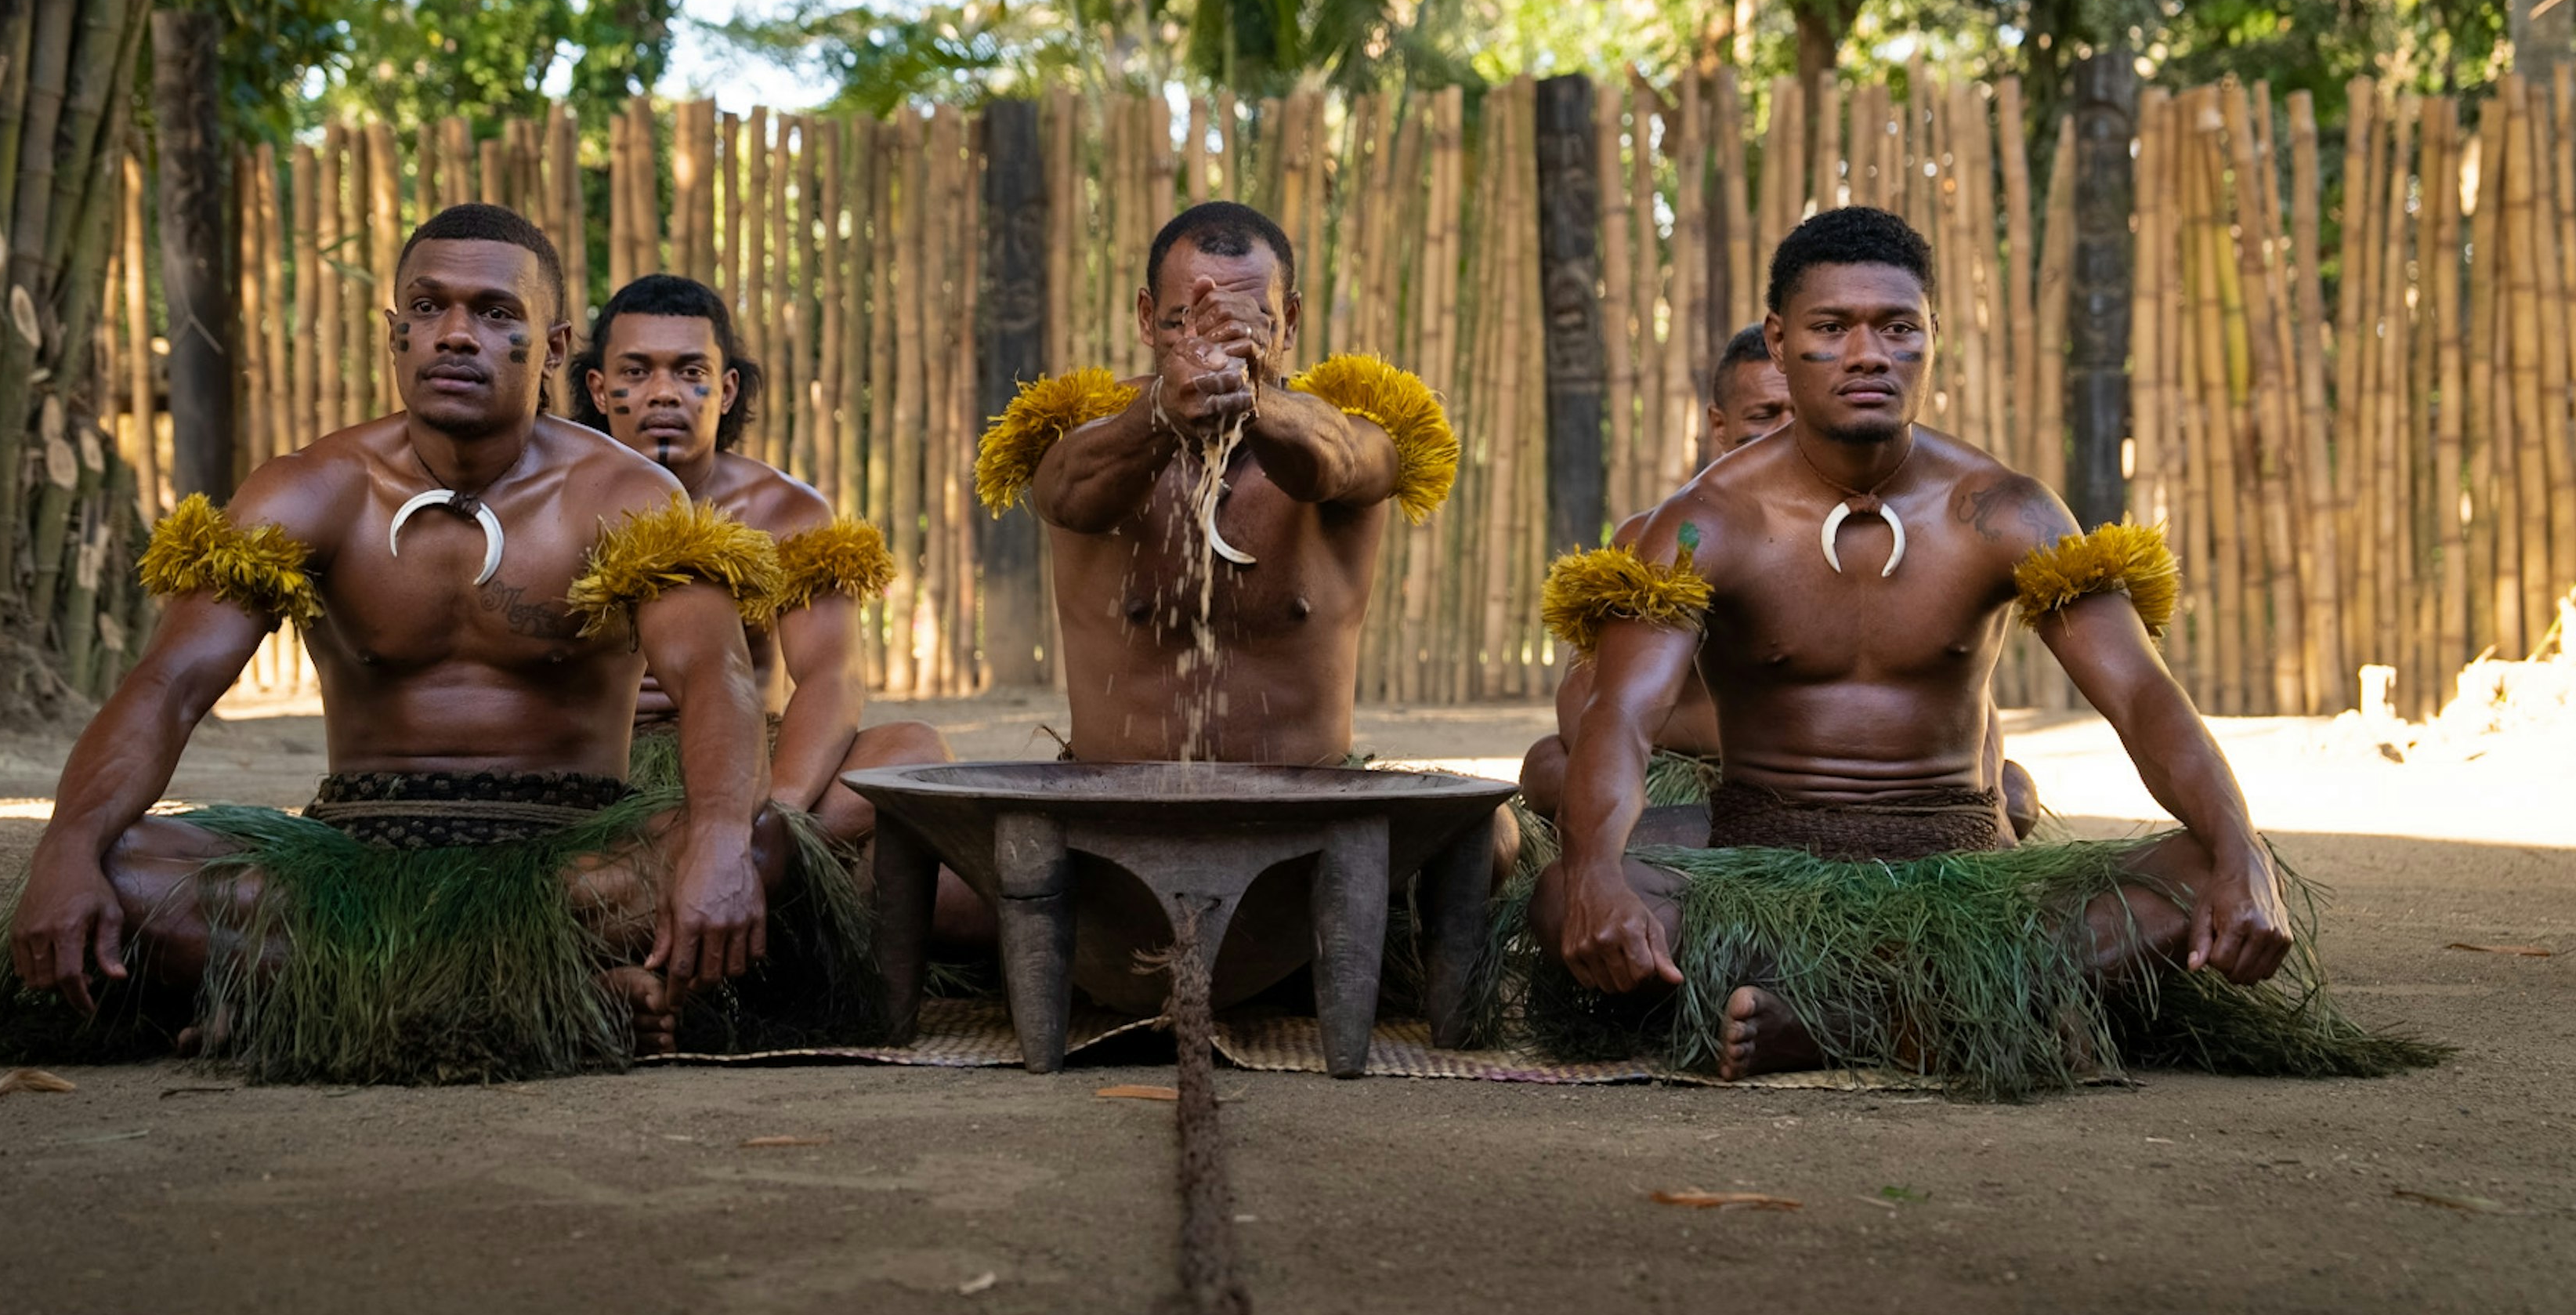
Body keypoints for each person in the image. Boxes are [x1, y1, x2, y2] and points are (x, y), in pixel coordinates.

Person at [1525, 206, 2434, 1096]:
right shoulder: (1704, 524)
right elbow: (1622, 715)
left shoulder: (2004, 512)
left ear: (1933, 342)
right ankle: (1962, 1011)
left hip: (1964, 873)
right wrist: (1603, 872)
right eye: (1832, 329)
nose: (1869, 355)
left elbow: (2145, 700)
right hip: (1771, 863)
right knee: (1567, 893)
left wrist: (2242, 850)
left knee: (2204, 869)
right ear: (1779, 337)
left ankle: (1840, 1019)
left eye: (1898, 329)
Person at [0, 205, 790, 1081]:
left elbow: (716, 680)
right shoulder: (311, 490)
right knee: (118, 866)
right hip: (351, 857)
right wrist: (66, 848)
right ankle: (551, 1000)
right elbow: (170, 685)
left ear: (557, 346)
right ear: (394, 333)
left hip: (568, 862)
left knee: (762, 843)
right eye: (427, 307)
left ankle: (298, 999)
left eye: (496, 313)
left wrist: (717, 837)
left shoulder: (628, 495)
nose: (456, 335)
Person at [971, 200, 1464, 1005]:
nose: (1207, 349)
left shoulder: (1355, 431)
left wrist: (1252, 393)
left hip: (1305, 848)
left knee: (1494, 840)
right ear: (1143, 318)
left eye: (1244, 326)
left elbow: (1341, 464)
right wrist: (1163, 413)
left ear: (1291, 320)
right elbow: (1065, 493)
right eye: (1183, 326)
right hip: (1111, 845)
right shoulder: (1087, 433)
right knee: (921, 871)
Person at [573, 273, 982, 940]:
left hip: (756, 769)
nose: (664, 392)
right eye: (637, 371)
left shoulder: (785, 512)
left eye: (690, 371)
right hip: (608, 784)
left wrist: (775, 820)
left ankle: (726, 873)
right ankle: (745, 897)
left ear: (727, 387)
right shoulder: (556, 498)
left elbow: (831, 675)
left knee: (914, 749)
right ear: (598, 388)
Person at [1518, 325, 1791, 821]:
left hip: (1797, 786)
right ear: (1720, 425)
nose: (1784, 434)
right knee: (1545, 766)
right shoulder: (1657, 539)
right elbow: (1580, 705)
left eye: (1799, 415)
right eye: (1764, 415)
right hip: (1671, 778)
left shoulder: (1861, 538)